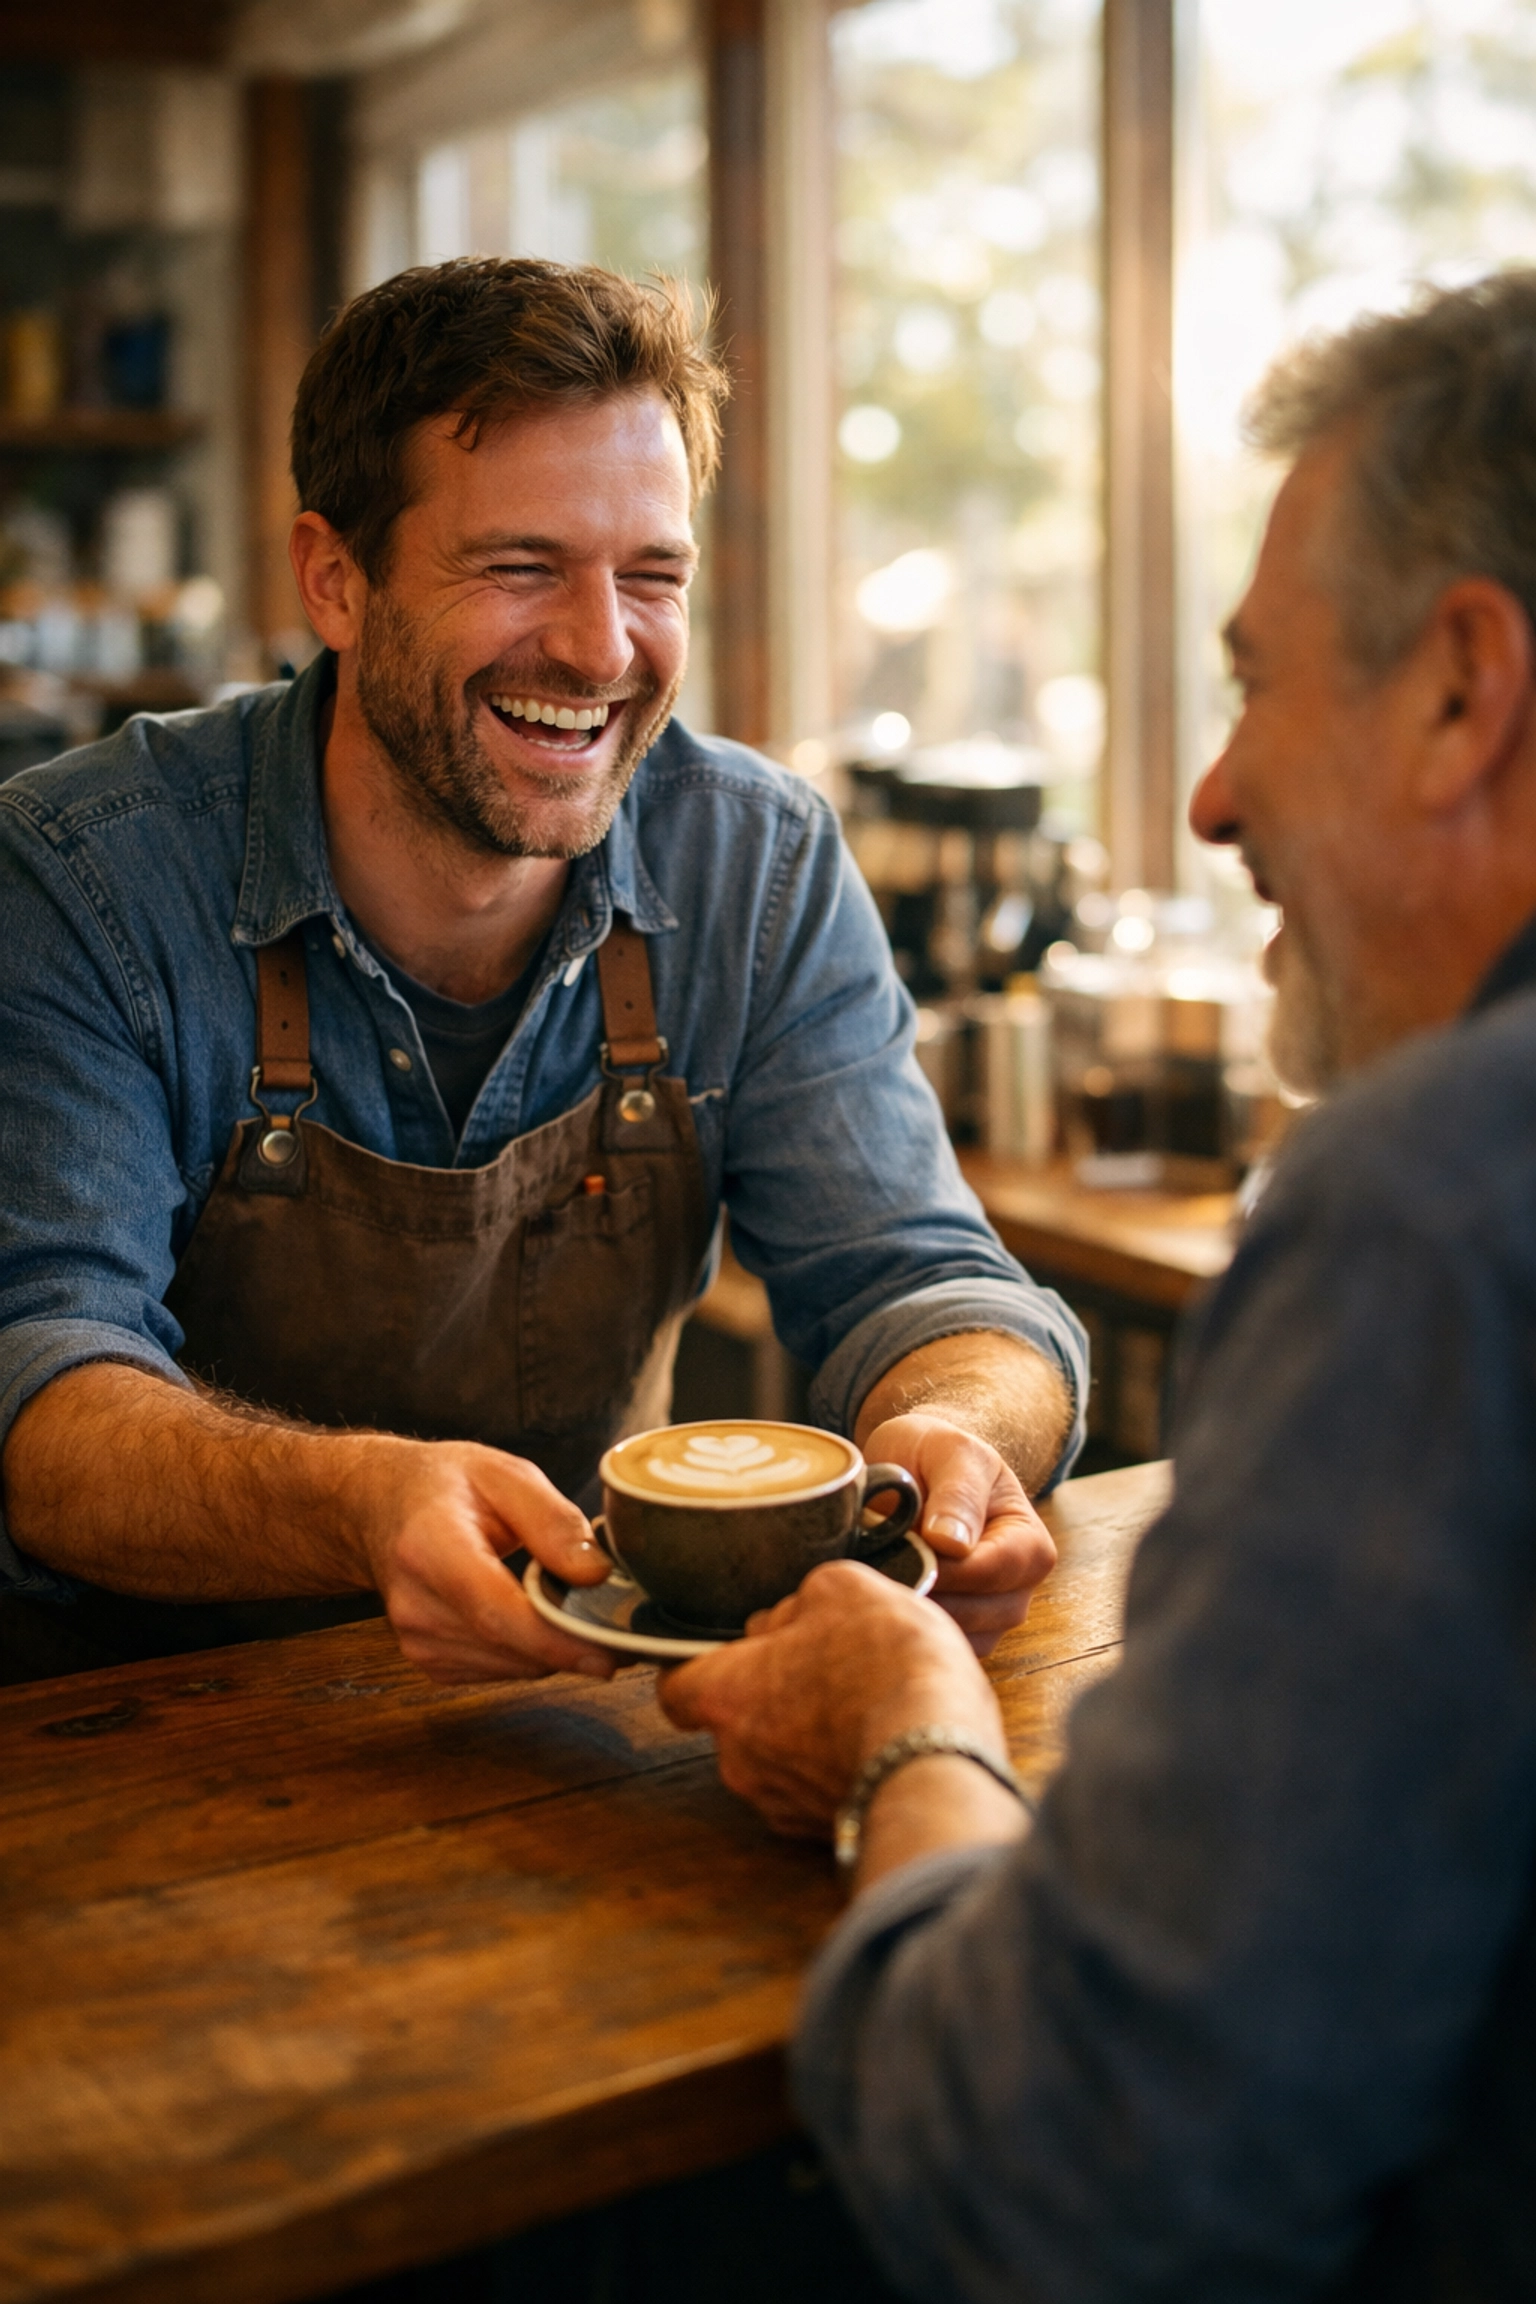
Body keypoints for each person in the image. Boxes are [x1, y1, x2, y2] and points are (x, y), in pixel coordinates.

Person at [661, 270, 1536, 2301]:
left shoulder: (1434, 1210)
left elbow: (1067, 2179)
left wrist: (906, 1734)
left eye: (1256, 684)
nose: (1215, 795)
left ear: (1462, 690)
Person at [0, 258, 1086, 1686]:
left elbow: (929, 1282)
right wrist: (357, 1509)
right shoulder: (80, 875)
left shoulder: (751, 866)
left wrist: (951, 1437)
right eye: (520, 568)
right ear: (334, 578)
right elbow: (41, 1402)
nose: (599, 647)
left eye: (652, 575)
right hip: (137, 1734)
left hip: (585, 1723)